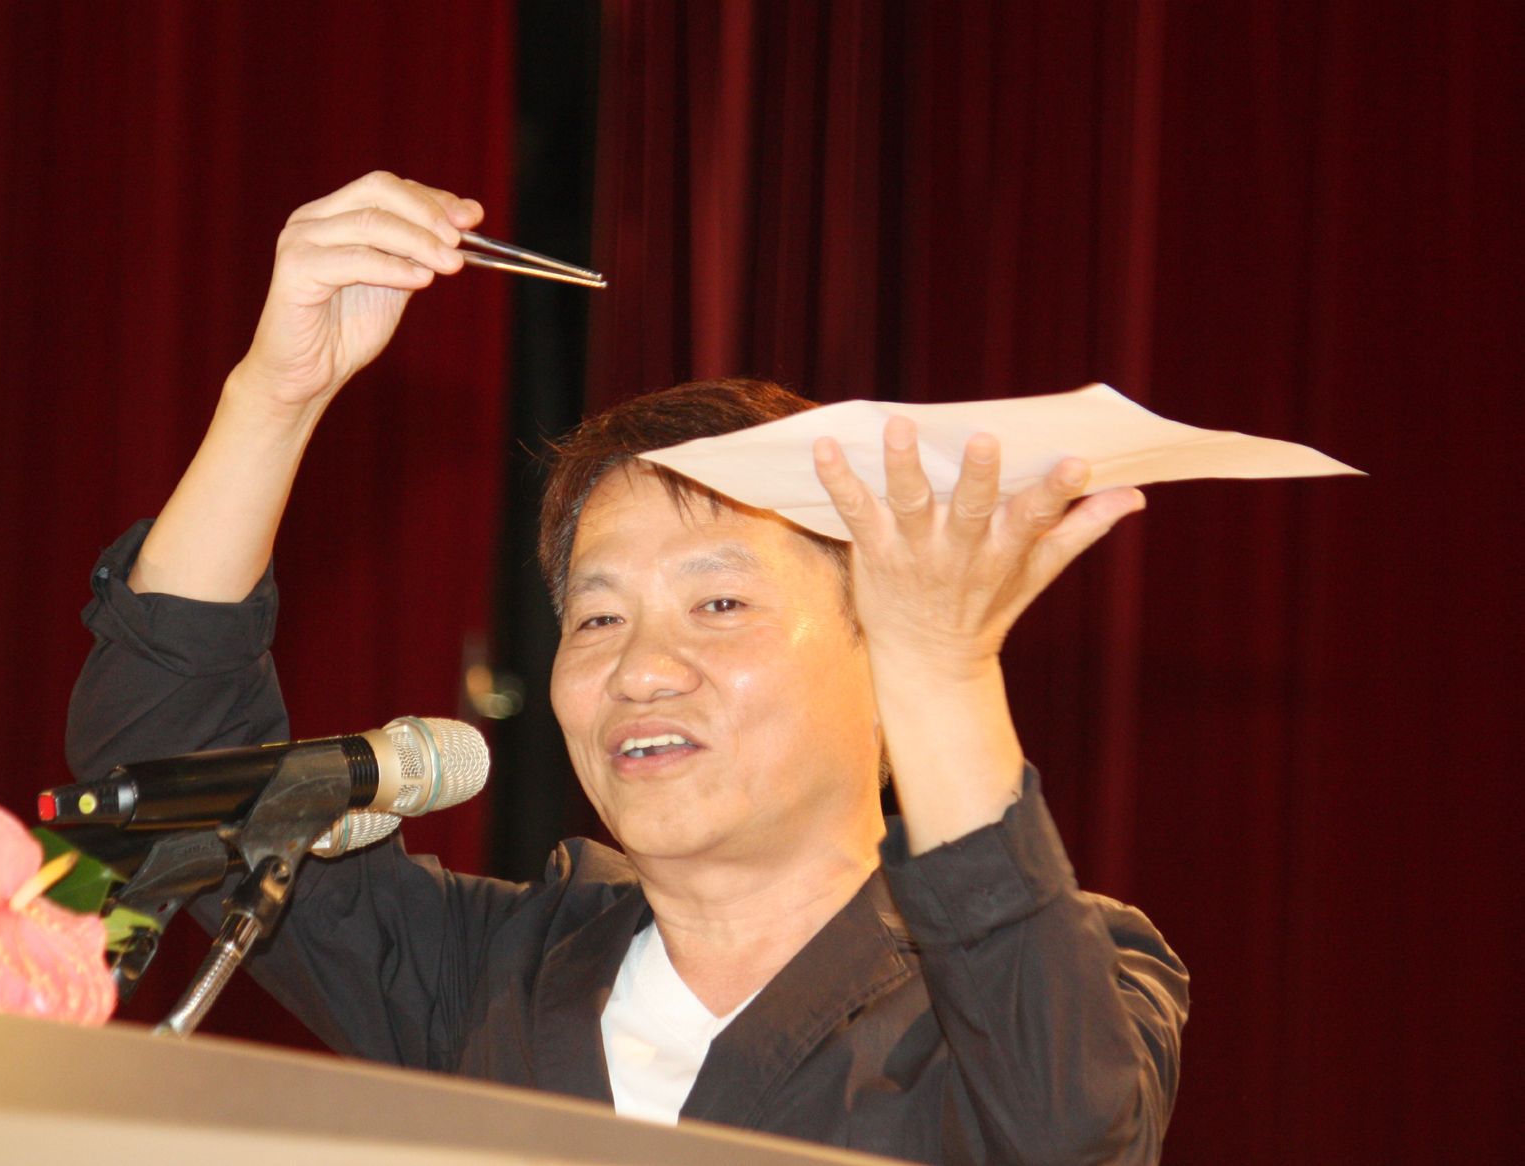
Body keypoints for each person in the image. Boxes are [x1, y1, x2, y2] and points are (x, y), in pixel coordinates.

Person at [67, 171, 1187, 1165]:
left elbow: (1063, 1133)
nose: (643, 669)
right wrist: (275, 394)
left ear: (879, 652)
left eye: (719, 603)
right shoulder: (493, 975)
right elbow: (170, 770)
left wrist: (943, 667)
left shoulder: (1057, 973)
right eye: (598, 617)